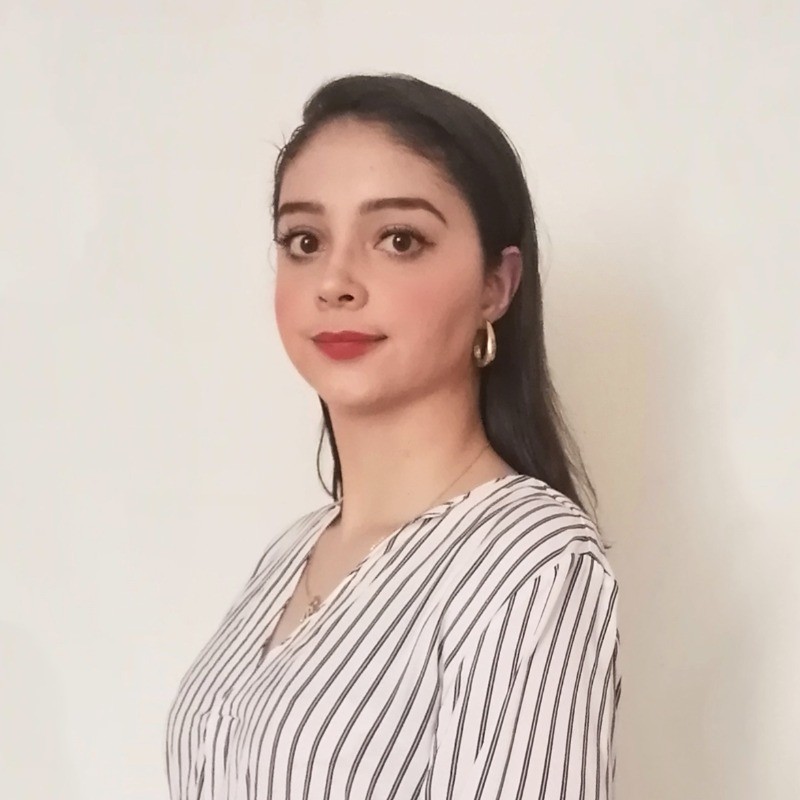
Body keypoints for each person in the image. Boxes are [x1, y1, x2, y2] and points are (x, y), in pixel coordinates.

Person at [165, 72, 622, 800]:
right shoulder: (291, 553)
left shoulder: (531, 561)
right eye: (305, 240)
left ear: (496, 285)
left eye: (399, 239)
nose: (335, 281)